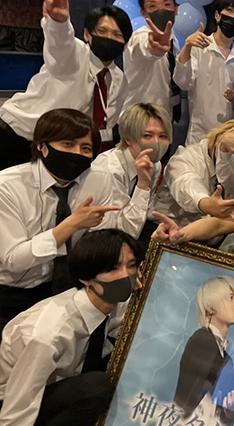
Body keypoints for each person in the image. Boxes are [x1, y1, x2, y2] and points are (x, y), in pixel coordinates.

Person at [0, 229, 143, 426]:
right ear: (86, 278)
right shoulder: (49, 334)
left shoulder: (108, 304)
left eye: (131, 265)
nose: (125, 275)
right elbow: (17, 409)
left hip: (58, 386)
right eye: (113, 268)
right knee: (95, 387)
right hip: (14, 400)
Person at [0, 109, 120, 329]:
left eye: (86, 148)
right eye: (68, 144)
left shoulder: (99, 180)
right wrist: (72, 225)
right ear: (42, 146)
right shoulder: (7, 186)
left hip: (72, 286)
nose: (77, 153)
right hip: (14, 291)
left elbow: (102, 243)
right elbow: (14, 261)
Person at [0, 0, 132, 169]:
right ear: (87, 34)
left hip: (58, 148)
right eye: (102, 31)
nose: (109, 38)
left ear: (125, 44)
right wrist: (59, 22)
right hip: (18, 134)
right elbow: (61, 43)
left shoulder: (119, 80)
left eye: (117, 35)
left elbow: (106, 123)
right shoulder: (74, 55)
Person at [152, 118, 234, 230]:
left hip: (208, 235)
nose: (232, 164)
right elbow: (186, 184)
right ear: (218, 139)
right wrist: (207, 204)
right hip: (163, 227)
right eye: (231, 155)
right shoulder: (185, 158)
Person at [175, 0, 234, 145]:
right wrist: (188, 46)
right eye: (229, 10)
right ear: (217, 15)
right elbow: (183, 82)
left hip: (230, 140)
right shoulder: (198, 48)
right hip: (199, 138)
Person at [173, 276, 234, 426]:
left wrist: (229, 411)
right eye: (231, 298)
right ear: (211, 307)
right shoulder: (202, 340)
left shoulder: (225, 357)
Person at [92, 103, 172, 248]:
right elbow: (122, 234)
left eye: (162, 136)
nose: (156, 143)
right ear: (128, 139)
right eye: (147, 136)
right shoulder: (109, 170)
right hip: (103, 241)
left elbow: (145, 210)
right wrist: (142, 185)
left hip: (133, 228)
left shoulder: (154, 164)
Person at [122, 0, 181, 120]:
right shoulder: (139, 37)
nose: (161, 10)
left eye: (167, 4)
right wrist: (155, 49)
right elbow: (146, 49)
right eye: (152, 6)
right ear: (144, 12)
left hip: (163, 117)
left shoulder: (174, 41)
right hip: (138, 120)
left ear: (176, 9)